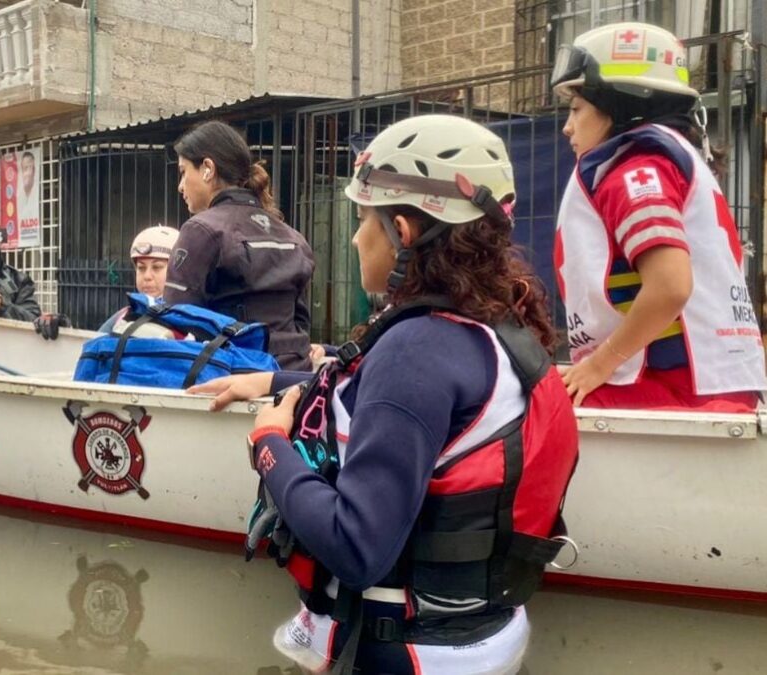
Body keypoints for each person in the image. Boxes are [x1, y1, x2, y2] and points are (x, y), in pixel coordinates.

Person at [190, 115, 579, 674]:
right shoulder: (493, 326)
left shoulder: (415, 350)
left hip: (401, 650)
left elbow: (356, 547)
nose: (353, 237)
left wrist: (269, 444)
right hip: (478, 637)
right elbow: (420, 406)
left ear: (403, 232)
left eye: (361, 219)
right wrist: (276, 382)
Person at [551, 22, 767, 409]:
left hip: (668, 388)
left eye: (576, 108)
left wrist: (599, 365)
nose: (568, 126)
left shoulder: (634, 171)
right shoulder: (667, 160)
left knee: (536, 410)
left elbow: (670, 286)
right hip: (710, 383)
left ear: (618, 102)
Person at [166, 121, 315, 370]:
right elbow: (300, 320)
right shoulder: (293, 237)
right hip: (294, 379)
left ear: (207, 168)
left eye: (183, 172)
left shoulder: (201, 230)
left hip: (230, 380)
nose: (180, 186)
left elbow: (176, 319)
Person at [98, 224, 180, 333]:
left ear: (178, 270)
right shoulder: (122, 317)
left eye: (157, 267)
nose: (147, 276)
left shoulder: (193, 320)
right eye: (141, 268)